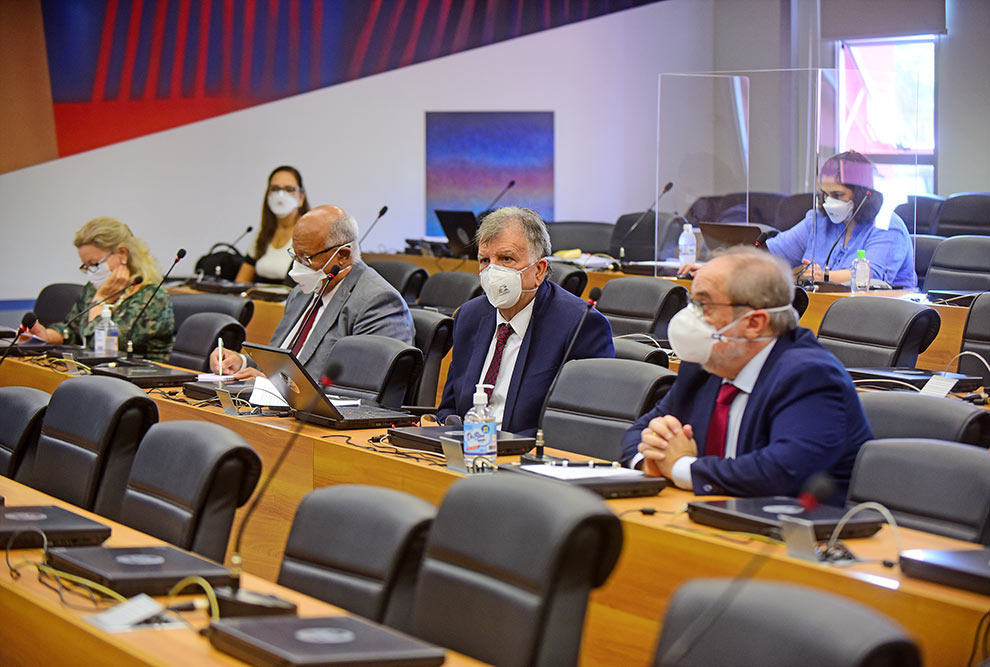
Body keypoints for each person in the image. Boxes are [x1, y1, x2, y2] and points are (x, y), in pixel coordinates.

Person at [623, 246, 871, 505]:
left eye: (703, 305)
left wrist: (681, 467)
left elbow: (777, 473)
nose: (688, 316)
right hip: (712, 519)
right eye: (691, 303)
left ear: (754, 323)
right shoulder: (704, 364)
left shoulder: (811, 376)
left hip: (797, 532)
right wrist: (648, 461)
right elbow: (638, 432)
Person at [437, 206, 615, 436]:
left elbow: (581, 427)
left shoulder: (580, 325)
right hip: (468, 450)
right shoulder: (469, 316)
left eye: (506, 258)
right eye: (484, 261)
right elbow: (450, 409)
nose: (492, 271)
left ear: (539, 270)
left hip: (527, 458)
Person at [212, 204, 414, 380]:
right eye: (295, 255)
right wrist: (241, 362)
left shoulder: (378, 302)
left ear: (342, 255)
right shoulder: (303, 292)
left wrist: (275, 387)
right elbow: (278, 360)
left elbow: (361, 392)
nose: (297, 267)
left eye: (305, 258)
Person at [29, 217, 175, 361]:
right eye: (86, 266)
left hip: (142, 378)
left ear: (122, 253)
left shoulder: (153, 297)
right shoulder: (93, 288)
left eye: (95, 264)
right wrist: (46, 336)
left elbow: (102, 347)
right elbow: (72, 329)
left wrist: (99, 301)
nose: (91, 271)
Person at [768, 151, 916, 288]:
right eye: (825, 194)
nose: (829, 202)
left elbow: (871, 277)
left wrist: (823, 276)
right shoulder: (818, 220)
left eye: (837, 195)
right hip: (825, 307)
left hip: (880, 311)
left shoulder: (887, 226)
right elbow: (774, 253)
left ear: (863, 194)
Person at [234, 165, 310, 284]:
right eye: (275, 189)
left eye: (289, 189)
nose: (281, 195)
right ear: (268, 194)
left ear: (301, 197)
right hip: (257, 300)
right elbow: (241, 280)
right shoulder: (263, 232)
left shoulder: (309, 233)